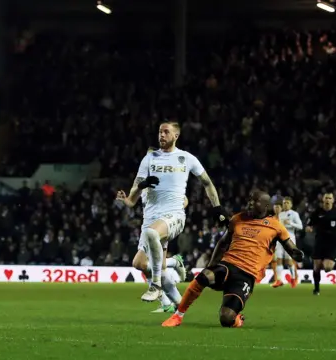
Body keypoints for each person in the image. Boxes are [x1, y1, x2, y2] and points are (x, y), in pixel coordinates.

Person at [117, 122, 227, 302]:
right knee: (139, 264)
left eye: (166, 132)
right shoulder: (149, 159)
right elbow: (131, 200)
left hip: (174, 216)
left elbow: (207, 183)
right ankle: (178, 304)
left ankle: (156, 286)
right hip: (150, 220)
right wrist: (141, 186)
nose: (161, 135)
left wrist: (217, 207)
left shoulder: (186, 158)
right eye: (160, 132)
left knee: (153, 234)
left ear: (176, 135)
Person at [162, 190, 304, 328]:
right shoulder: (237, 219)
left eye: (255, 201)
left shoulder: (276, 226)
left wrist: (297, 254)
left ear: (266, 206)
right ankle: (178, 316)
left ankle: (236, 319)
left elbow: (290, 246)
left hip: (247, 275)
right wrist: (211, 264)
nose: (250, 203)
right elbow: (223, 243)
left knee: (226, 319)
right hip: (228, 265)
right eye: (249, 200)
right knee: (204, 276)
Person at [305, 192, 336, 296]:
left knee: (327, 268)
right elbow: (309, 224)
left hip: (333, 243)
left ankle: (332, 260)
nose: (328, 200)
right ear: (323, 200)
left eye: (330, 198)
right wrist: (309, 227)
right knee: (316, 267)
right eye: (326, 198)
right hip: (319, 242)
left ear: (333, 200)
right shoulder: (317, 212)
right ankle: (316, 289)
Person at [271, 196, 302, 288]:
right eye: (284, 203)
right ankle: (279, 280)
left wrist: (290, 223)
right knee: (278, 259)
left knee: (289, 261)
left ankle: (293, 278)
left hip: (290, 239)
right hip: (280, 240)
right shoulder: (280, 215)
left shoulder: (294, 214)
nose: (285, 204)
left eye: (287, 203)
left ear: (291, 204)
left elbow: (300, 226)